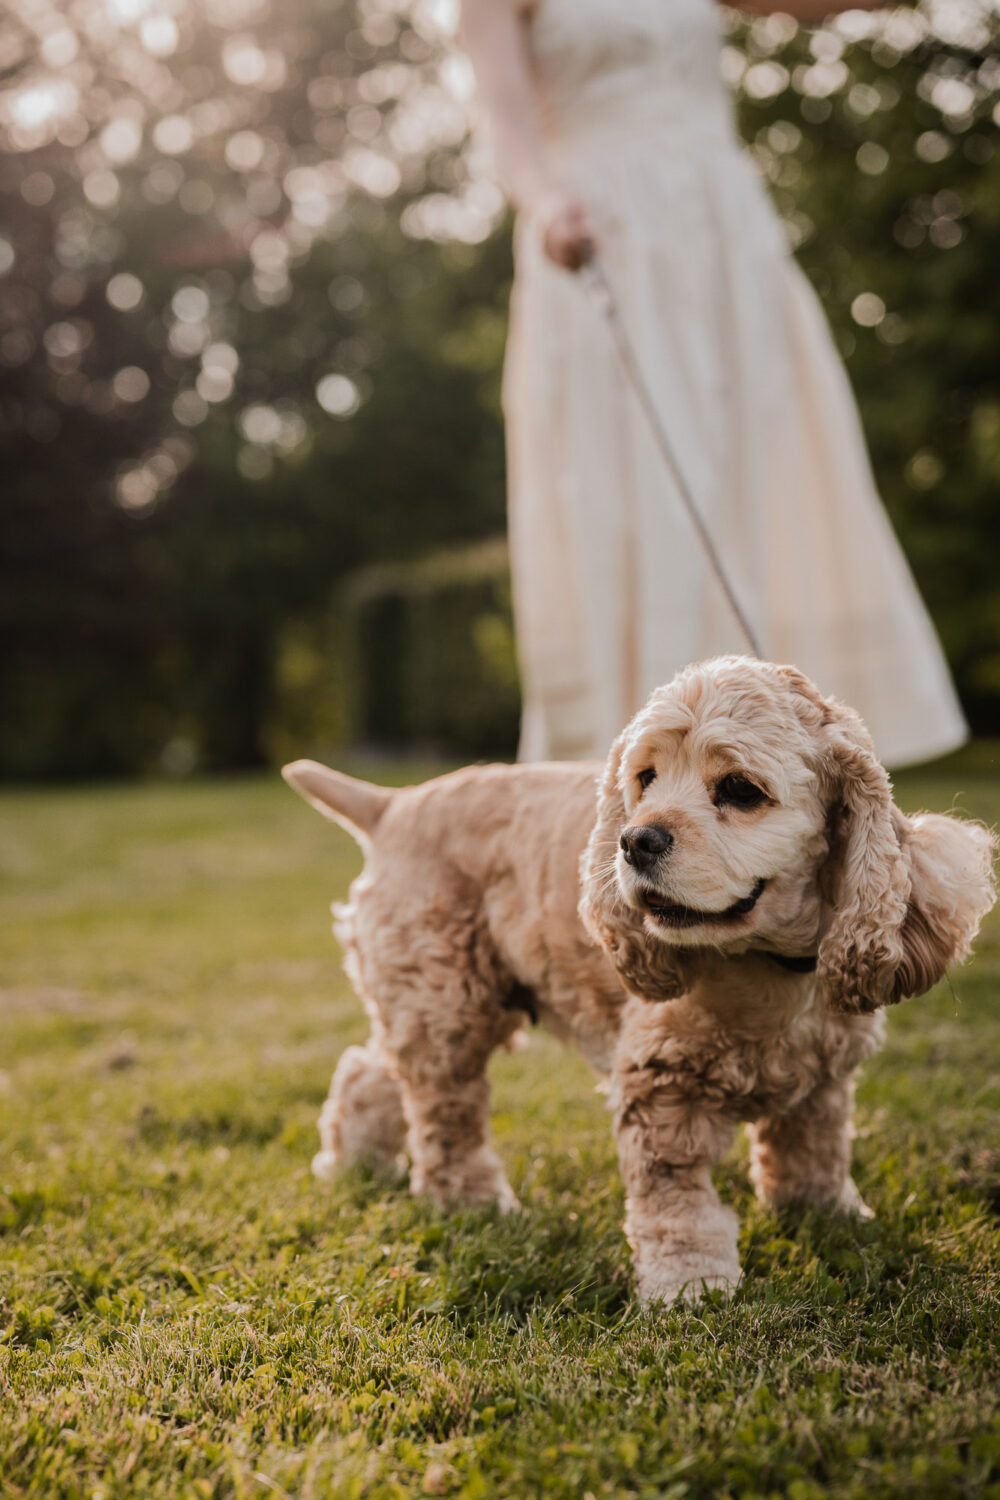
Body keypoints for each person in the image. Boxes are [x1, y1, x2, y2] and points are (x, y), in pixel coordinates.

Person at [460, 0, 968, 767]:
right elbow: (502, 124)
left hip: (724, 241)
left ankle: (789, 758)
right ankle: (648, 760)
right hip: (603, 237)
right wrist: (544, 202)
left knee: (763, 483)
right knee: (637, 499)